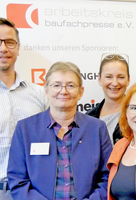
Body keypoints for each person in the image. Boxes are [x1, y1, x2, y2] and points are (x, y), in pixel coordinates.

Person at [7, 62, 112, 199]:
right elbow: (17, 180)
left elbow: (108, 176)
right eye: (56, 85)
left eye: (70, 85)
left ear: (81, 92)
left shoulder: (97, 129)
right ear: (46, 91)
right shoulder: (25, 129)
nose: (63, 91)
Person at [0, 18, 48, 200]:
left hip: (36, 192)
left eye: (9, 42)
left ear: (18, 47)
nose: (4, 48)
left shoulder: (39, 94)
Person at [86, 53, 130, 145]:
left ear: (128, 80)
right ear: (99, 79)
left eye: (120, 77)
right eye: (109, 77)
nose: (115, 83)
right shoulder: (88, 117)